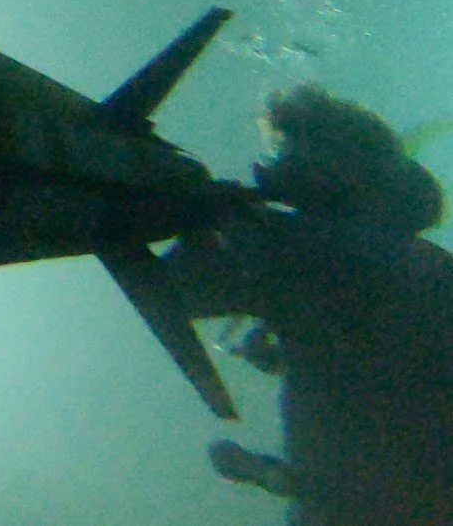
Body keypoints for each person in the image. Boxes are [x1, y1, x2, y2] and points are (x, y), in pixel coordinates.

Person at [158, 84, 453, 526]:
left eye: (290, 154)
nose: (275, 169)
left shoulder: (295, 245)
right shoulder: (426, 263)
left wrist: (207, 222)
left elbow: (173, 293)